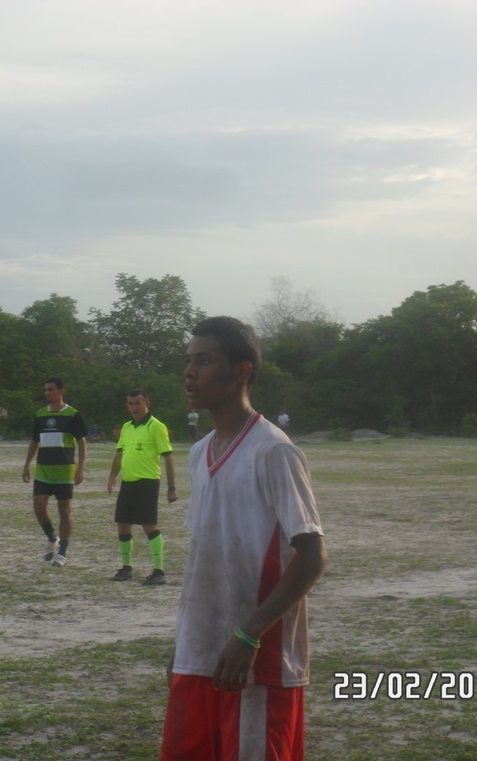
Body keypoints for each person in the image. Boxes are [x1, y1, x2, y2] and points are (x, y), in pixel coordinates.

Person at [160, 317, 327, 761]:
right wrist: (184, 641)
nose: (189, 372)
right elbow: (206, 554)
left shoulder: (274, 451)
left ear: (241, 371)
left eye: (205, 361)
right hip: (201, 653)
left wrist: (250, 635)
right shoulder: (199, 452)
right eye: (189, 361)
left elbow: (311, 557)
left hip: (256, 662)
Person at [106, 389, 177, 586]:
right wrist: (112, 476)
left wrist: (172, 487)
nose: (134, 407)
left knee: (149, 525)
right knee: (122, 524)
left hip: (147, 482)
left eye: (138, 403)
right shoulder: (127, 427)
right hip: (128, 483)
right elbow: (120, 454)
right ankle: (126, 568)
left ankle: (159, 571)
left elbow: (168, 456)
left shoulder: (156, 427)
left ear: (147, 404)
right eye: (130, 404)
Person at [21, 378, 88, 567]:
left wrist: (81, 468)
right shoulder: (40, 414)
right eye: (45, 390)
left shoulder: (73, 414)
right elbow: (35, 442)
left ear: (61, 392)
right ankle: (52, 538)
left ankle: (63, 553)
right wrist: (26, 465)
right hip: (43, 471)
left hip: (64, 472)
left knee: (64, 512)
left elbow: (82, 442)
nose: (47, 393)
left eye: (51, 390)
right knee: (39, 508)